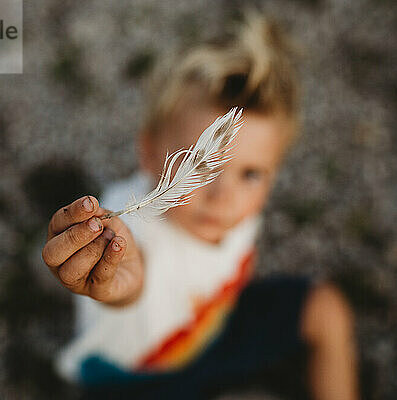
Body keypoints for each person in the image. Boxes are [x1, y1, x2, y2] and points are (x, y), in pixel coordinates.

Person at [41, 9, 359, 400]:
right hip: (140, 378)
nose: (223, 196)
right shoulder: (129, 226)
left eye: (251, 174)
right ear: (150, 151)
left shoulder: (230, 212)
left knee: (326, 309)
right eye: (200, 165)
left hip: (215, 325)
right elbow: (128, 275)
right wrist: (121, 281)